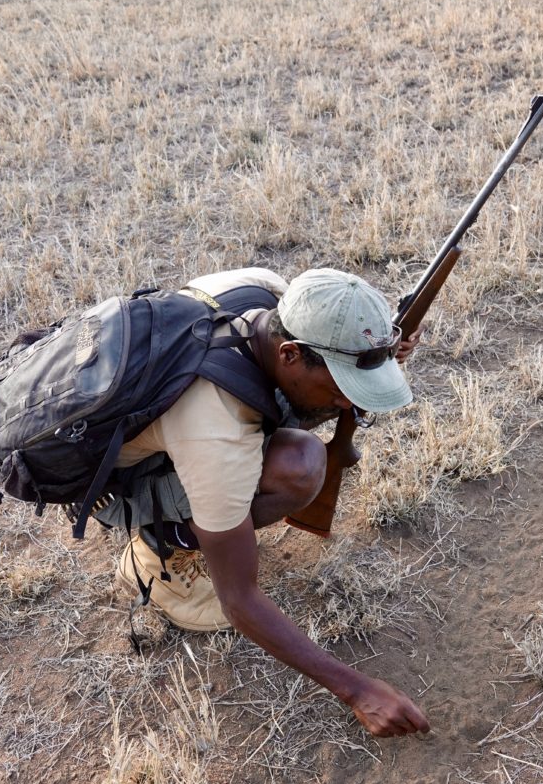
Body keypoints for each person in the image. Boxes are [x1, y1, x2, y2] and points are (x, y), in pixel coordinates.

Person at [98, 267, 429, 739]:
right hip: (117, 484)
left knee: (294, 433)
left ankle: (199, 520)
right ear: (290, 354)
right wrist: (357, 690)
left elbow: (312, 372)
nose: (344, 402)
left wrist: (376, 359)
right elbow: (241, 600)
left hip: (170, 434)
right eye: (339, 388)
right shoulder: (217, 427)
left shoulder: (271, 296)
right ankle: (158, 551)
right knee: (300, 466)